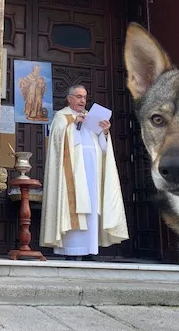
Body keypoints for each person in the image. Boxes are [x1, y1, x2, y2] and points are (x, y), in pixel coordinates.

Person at [40, 85, 129, 258]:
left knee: (92, 206)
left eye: (84, 97)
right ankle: (71, 250)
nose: (82, 101)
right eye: (79, 96)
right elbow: (58, 143)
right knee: (75, 206)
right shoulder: (61, 117)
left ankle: (90, 249)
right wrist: (74, 125)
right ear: (69, 98)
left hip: (92, 171)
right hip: (72, 172)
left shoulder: (90, 117)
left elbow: (102, 146)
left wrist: (104, 132)